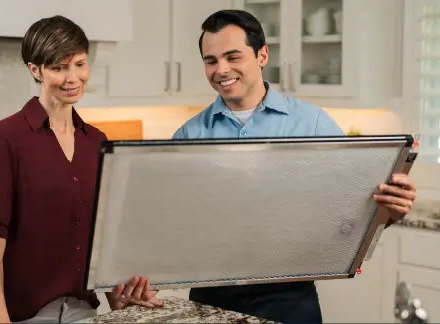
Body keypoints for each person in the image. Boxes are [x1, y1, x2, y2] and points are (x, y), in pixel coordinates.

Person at [171, 9, 419, 323]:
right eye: (211, 60)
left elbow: (353, 210)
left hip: (289, 297)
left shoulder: (313, 124)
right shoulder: (188, 135)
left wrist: (390, 211)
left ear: (262, 55)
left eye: (233, 57)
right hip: (209, 296)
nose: (221, 69)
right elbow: (175, 222)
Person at [0, 15, 163, 324]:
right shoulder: (5, 137)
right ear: (36, 70)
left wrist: (117, 297)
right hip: (21, 316)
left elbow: (98, 234)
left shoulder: (96, 141)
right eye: (59, 68)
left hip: (82, 312)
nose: (72, 78)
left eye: (80, 64)